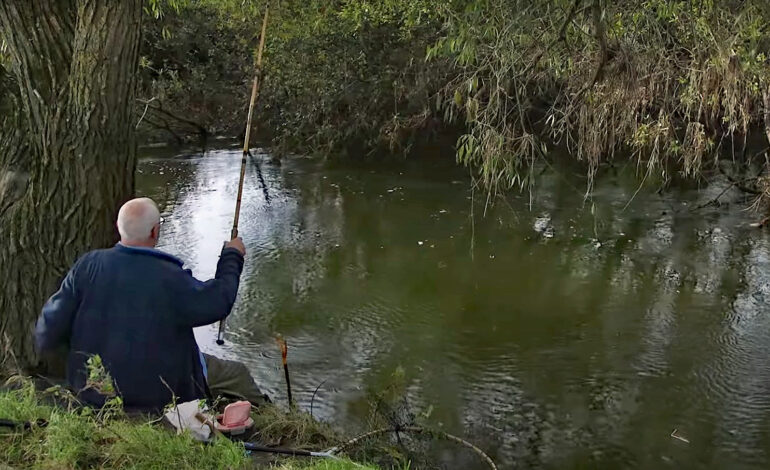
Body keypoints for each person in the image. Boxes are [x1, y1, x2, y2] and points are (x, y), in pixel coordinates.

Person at [34, 197, 269, 413]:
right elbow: (218, 302)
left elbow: (47, 330)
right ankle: (271, 420)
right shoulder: (170, 277)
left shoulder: (87, 266)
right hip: (158, 391)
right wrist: (232, 256)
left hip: (93, 388)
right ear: (155, 231)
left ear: (119, 227)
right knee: (237, 374)